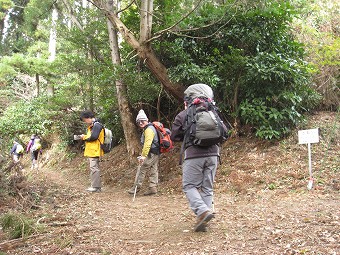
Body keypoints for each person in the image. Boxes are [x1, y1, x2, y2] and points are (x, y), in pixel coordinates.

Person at [170, 84, 219, 232]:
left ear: (188, 100)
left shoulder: (184, 115)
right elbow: (223, 131)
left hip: (194, 155)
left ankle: (202, 212)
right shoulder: (213, 111)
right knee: (207, 187)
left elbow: (174, 136)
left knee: (190, 186)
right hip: (213, 155)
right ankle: (203, 219)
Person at [128, 109, 160, 196]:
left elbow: (147, 144)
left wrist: (143, 156)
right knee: (154, 168)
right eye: (139, 122)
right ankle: (153, 188)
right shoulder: (151, 127)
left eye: (142, 121)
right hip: (156, 152)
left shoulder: (149, 129)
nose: (141, 123)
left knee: (142, 168)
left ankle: (136, 188)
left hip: (151, 153)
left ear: (146, 120)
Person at [80, 110, 104, 192]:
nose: (85, 122)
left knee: (94, 168)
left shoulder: (97, 125)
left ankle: (96, 187)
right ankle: (95, 186)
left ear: (88, 118)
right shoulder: (94, 125)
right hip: (93, 150)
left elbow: (93, 137)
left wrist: (84, 137)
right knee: (94, 168)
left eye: (84, 120)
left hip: (95, 150)